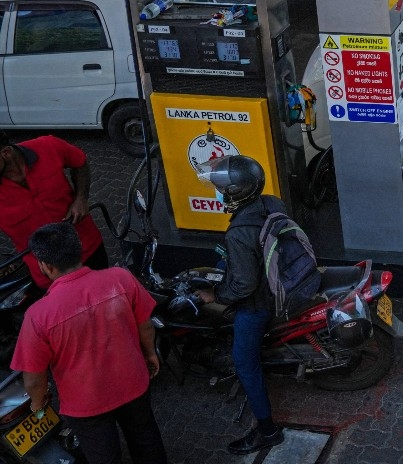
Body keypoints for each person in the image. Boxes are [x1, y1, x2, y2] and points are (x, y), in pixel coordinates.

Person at [11, 222, 167, 464]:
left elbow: (33, 378)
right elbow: (145, 326)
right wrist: (150, 354)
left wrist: (38, 403)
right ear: (80, 250)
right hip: (132, 383)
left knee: (104, 456)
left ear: (45, 266)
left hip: (86, 406)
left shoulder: (38, 315)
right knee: (146, 439)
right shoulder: (120, 279)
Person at [192, 156, 288, 455]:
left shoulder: (239, 232)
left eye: (222, 189)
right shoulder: (270, 202)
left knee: (245, 363)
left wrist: (216, 295)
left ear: (235, 193)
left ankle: (267, 431)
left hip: (258, 303)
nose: (218, 192)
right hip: (278, 276)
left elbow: (244, 285)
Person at [0, 131, 108, 288]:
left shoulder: (48, 146)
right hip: (48, 273)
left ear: (6, 153)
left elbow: (79, 161)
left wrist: (81, 198)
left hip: (88, 250)